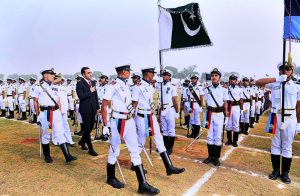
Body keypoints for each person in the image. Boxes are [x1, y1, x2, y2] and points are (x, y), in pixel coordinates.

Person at [101, 65, 160, 194]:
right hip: (118, 121)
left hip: (129, 120)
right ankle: (110, 177)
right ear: (123, 72)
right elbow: (104, 105)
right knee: (115, 149)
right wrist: (105, 125)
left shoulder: (127, 85)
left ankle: (143, 183)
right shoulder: (113, 85)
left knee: (134, 150)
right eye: (128, 71)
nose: (130, 73)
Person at [132, 67, 185, 176]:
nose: (154, 75)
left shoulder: (150, 86)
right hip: (142, 117)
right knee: (140, 141)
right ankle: (134, 163)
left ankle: (169, 167)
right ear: (148, 74)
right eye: (152, 73)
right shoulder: (138, 87)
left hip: (151, 116)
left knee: (159, 140)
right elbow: (134, 103)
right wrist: (132, 119)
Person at [256, 62, 300, 184]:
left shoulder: (297, 86)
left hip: (290, 117)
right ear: (279, 71)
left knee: (287, 146)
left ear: (292, 71)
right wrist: (277, 79)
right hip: (275, 116)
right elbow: (257, 82)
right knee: (275, 145)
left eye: (287, 69)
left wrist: (298, 123)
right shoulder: (274, 83)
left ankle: (285, 173)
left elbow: (299, 106)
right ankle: (275, 170)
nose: (285, 71)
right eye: (282, 69)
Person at [33, 68, 77, 163]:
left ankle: (67, 156)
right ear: (45, 75)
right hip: (45, 114)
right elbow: (35, 102)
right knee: (47, 134)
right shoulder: (38, 87)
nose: (54, 76)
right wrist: (37, 115)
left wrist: (60, 112)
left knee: (60, 133)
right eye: (51, 74)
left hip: (56, 113)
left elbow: (58, 101)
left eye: (54, 74)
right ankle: (47, 155)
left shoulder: (54, 86)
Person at [203, 68, 229, 167]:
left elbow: (225, 103)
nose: (214, 77)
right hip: (210, 114)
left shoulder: (224, 90)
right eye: (212, 75)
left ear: (219, 77)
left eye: (216, 76)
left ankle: (216, 157)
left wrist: (226, 115)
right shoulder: (207, 89)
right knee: (209, 135)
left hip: (219, 114)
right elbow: (206, 103)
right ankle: (210, 156)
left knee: (217, 136)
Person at [76, 67, 100, 156]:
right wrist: (89, 91)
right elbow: (81, 96)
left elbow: (95, 95)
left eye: (91, 72)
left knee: (90, 127)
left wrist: (97, 107)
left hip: (93, 108)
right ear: (83, 74)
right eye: (88, 73)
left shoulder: (93, 82)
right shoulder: (80, 83)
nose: (90, 74)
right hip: (85, 109)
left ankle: (82, 141)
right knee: (87, 128)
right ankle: (90, 149)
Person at [158, 69, 179, 155]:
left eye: (166, 75)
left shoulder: (173, 86)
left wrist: (177, 111)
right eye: (163, 75)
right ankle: (165, 147)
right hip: (162, 109)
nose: (164, 76)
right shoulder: (160, 85)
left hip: (170, 109)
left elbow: (174, 99)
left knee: (171, 130)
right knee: (164, 130)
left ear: (170, 76)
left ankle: (170, 148)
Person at [225, 74, 243, 147]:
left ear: (236, 81)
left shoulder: (239, 89)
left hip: (236, 107)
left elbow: (241, 100)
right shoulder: (226, 89)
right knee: (228, 124)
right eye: (231, 79)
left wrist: (241, 109)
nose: (232, 81)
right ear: (229, 80)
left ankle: (235, 141)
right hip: (229, 106)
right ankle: (229, 140)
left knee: (235, 124)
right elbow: (225, 100)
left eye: (234, 79)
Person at [186, 74, 204, 139]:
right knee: (192, 119)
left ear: (197, 79)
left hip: (197, 104)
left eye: (194, 79)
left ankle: (197, 134)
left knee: (197, 119)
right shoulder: (189, 87)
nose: (193, 80)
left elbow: (201, 97)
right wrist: (188, 104)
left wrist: (201, 106)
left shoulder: (200, 87)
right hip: (191, 103)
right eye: (192, 79)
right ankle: (193, 133)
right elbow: (188, 96)